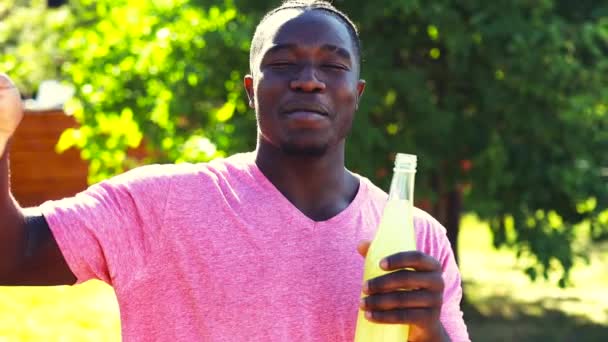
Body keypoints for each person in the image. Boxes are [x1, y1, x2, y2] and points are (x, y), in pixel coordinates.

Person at [0, 1, 469, 341]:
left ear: (357, 93)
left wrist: (428, 331)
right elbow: (13, 255)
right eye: (283, 63)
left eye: (332, 65)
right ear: (251, 90)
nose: (308, 79)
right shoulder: (157, 204)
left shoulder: (415, 241)